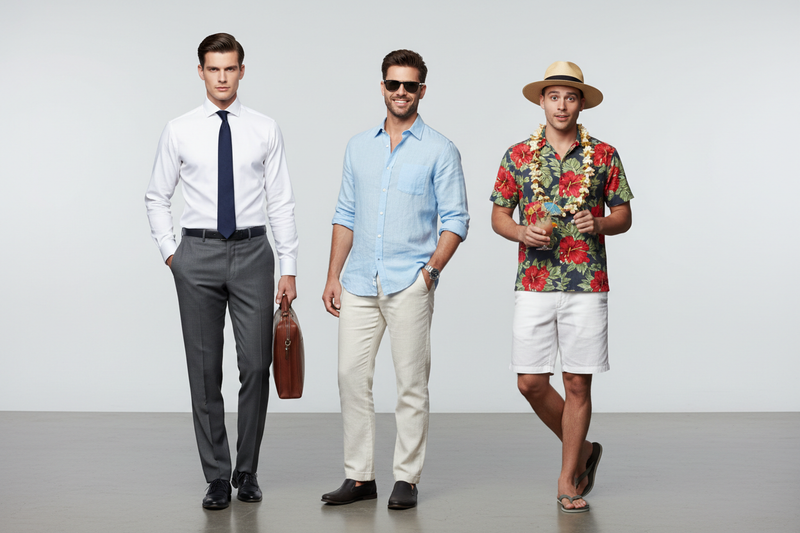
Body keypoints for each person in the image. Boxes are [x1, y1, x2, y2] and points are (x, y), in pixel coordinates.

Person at [144, 33, 299, 510]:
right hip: (199, 255)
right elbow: (156, 196)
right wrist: (174, 255)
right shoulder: (179, 129)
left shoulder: (264, 128)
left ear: (242, 71)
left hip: (254, 254)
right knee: (204, 371)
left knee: (256, 365)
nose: (222, 77)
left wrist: (288, 266)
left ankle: (246, 470)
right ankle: (216, 476)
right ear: (201, 72)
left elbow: (281, 200)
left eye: (230, 68)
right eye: (214, 69)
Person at [320, 49, 469, 510]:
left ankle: (407, 477)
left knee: (410, 383)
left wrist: (430, 272)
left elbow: (457, 219)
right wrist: (333, 276)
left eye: (410, 85)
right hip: (360, 280)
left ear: (422, 90)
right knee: (350, 376)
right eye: (393, 84)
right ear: (382, 87)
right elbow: (345, 214)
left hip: (409, 282)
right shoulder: (357, 146)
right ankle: (360, 477)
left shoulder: (440, 149)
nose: (400, 92)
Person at [490, 61, 633, 513]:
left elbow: (624, 216)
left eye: (570, 97)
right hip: (534, 280)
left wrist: (601, 222)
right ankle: (586, 449)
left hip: (587, 281)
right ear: (542, 101)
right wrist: (520, 233)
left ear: (581, 104)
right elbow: (498, 215)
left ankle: (569, 477)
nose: (562, 105)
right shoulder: (517, 155)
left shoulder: (605, 154)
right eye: (554, 96)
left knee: (576, 383)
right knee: (531, 381)